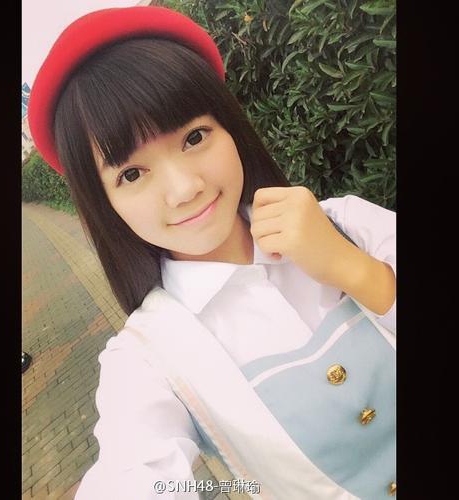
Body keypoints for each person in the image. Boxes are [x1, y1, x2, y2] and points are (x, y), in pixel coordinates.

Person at [28, 6, 396, 499]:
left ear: (231, 128)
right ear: (105, 203)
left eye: (194, 137)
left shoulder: (349, 223)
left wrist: (351, 267)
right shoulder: (147, 357)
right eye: (132, 174)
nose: (184, 189)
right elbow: (134, 474)